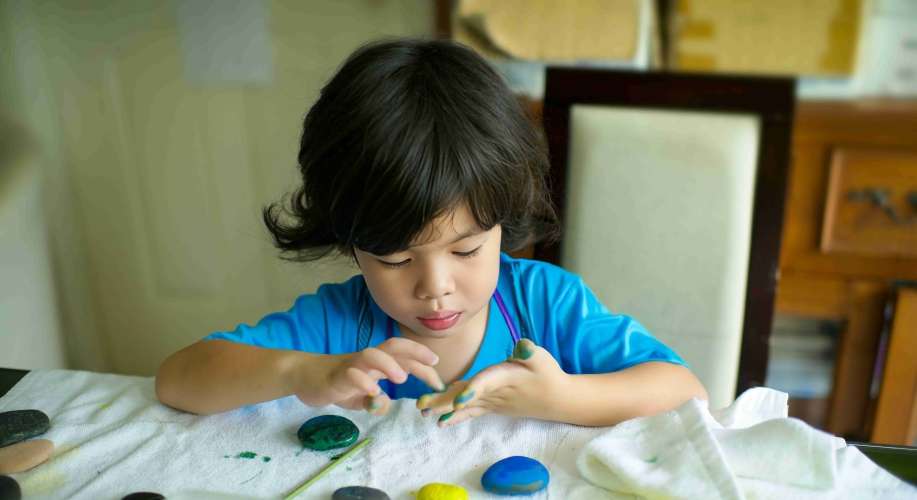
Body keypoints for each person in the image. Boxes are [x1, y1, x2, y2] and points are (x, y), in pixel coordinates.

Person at [154, 38, 707, 427]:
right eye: (395, 260)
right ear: (352, 243)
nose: (434, 286)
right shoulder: (342, 325)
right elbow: (177, 381)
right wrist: (305, 372)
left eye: (466, 249)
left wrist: (563, 397)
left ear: (500, 223)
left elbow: (686, 391)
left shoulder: (544, 302)